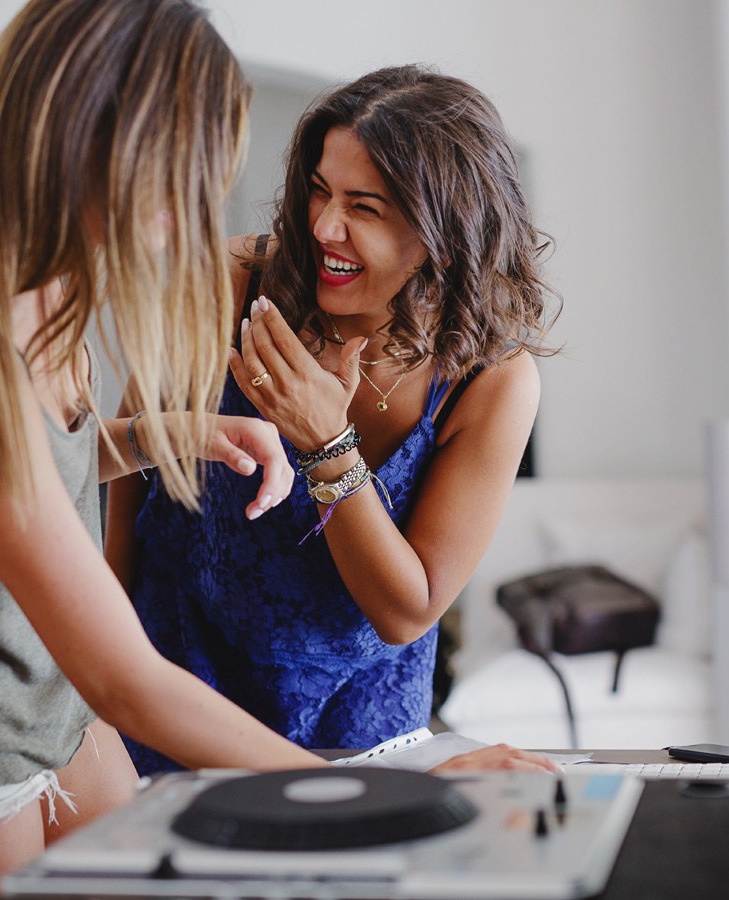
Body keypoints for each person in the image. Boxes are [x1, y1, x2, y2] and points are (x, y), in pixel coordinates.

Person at [0, 6, 550, 898]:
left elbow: (20, 468)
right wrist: (374, 795)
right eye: (187, 174)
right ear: (93, 143)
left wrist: (162, 437)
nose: (197, 213)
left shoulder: (31, 263)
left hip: (51, 702)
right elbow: (123, 674)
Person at [106, 64, 559, 774]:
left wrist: (326, 442)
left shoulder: (492, 381)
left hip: (361, 730)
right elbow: (128, 473)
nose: (324, 227)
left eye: (364, 207)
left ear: (443, 229)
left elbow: (408, 610)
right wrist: (102, 669)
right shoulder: (230, 286)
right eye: (319, 192)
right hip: (182, 693)